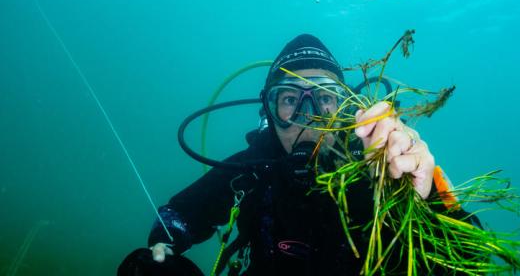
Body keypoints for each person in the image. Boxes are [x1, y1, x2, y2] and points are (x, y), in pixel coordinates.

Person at [119, 34, 449, 276]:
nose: (308, 118)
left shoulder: (380, 168)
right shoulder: (252, 167)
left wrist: (423, 197)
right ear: (270, 110)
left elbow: (462, 260)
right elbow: (178, 213)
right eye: (290, 100)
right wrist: (162, 248)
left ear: (346, 109)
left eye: (324, 99)